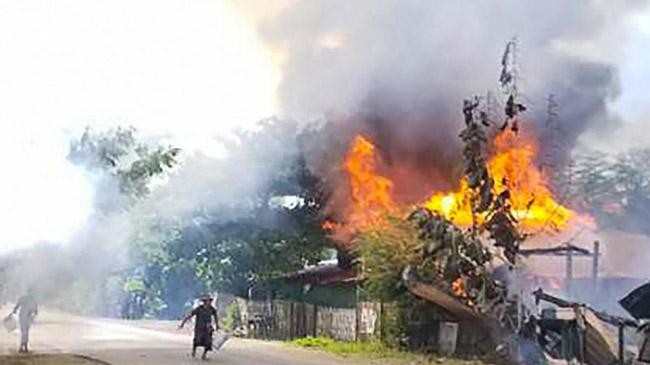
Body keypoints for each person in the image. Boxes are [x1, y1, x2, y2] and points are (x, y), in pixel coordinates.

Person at [179, 294, 218, 360]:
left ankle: (204, 355)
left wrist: (217, 325)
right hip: (199, 328)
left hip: (208, 328)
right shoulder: (199, 309)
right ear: (204, 302)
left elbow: (216, 317)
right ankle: (194, 351)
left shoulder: (212, 309)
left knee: (208, 342)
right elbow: (190, 315)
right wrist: (183, 323)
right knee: (197, 340)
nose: (208, 302)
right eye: (207, 301)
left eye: (209, 301)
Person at [10, 289, 38, 353]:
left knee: (25, 332)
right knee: (25, 332)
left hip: (26, 317)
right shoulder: (31, 299)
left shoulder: (27, 298)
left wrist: (14, 310)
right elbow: (35, 310)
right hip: (24, 317)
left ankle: (23, 346)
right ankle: (24, 346)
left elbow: (17, 305)